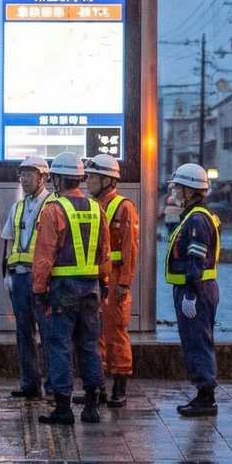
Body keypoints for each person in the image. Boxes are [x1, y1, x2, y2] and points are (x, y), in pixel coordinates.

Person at [32, 151, 110, 425]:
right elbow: (105, 254)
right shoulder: (97, 209)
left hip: (62, 290)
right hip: (91, 289)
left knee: (60, 345)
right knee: (89, 344)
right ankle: (92, 406)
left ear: (58, 179)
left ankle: (63, 407)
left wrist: (38, 289)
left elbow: (44, 255)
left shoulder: (54, 210)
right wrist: (104, 283)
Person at [166, 163, 222, 417]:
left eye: (179, 188)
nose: (175, 192)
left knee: (198, 342)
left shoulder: (197, 219)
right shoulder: (194, 216)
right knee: (195, 341)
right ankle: (203, 394)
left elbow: (196, 260)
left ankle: (206, 397)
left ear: (190, 191)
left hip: (197, 290)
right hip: (198, 289)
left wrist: (190, 294)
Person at [86, 154, 139, 408]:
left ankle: (120, 387)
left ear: (107, 180)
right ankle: (99, 387)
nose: (88, 181)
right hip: (95, 277)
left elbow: (130, 248)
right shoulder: (91, 205)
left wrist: (124, 283)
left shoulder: (124, 207)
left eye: (93, 177)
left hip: (115, 277)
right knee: (95, 333)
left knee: (115, 332)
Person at [0, 154, 52, 400]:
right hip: (19, 277)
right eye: (22, 174)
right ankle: (30, 383)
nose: (24, 179)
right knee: (24, 332)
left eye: (30, 174)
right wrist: (7, 273)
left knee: (49, 332)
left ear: (43, 178)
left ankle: (53, 384)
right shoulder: (18, 206)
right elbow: (8, 241)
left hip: (42, 278)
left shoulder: (53, 204)